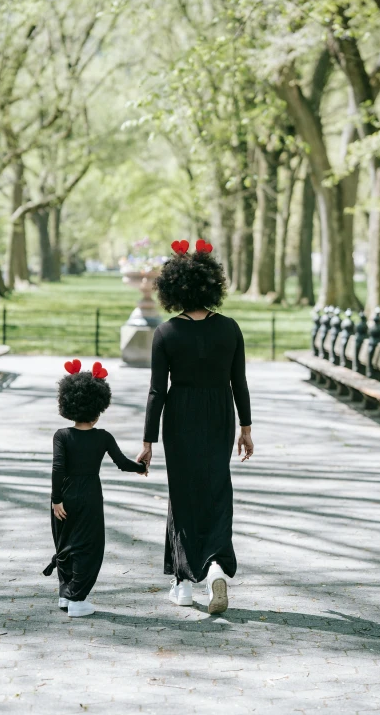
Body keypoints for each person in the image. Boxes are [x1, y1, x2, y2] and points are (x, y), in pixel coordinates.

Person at [137, 239, 253, 614]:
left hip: (180, 414)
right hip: (221, 412)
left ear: (173, 290)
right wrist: (246, 428)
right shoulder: (230, 329)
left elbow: (157, 391)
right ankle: (216, 564)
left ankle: (184, 583)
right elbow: (240, 382)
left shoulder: (166, 333)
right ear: (211, 285)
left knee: (183, 492)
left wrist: (148, 440)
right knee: (217, 488)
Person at [43, 359, 147, 618]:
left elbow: (58, 468)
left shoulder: (61, 436)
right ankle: (78, 599)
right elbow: (123, 463)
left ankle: (65, 594)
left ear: (67, 404)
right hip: (90, 494)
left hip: (64, 494)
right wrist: (141, 467)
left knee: (65, 544)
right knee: (88, 546)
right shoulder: (103, 437)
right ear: (98, 407)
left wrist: (56, 499)